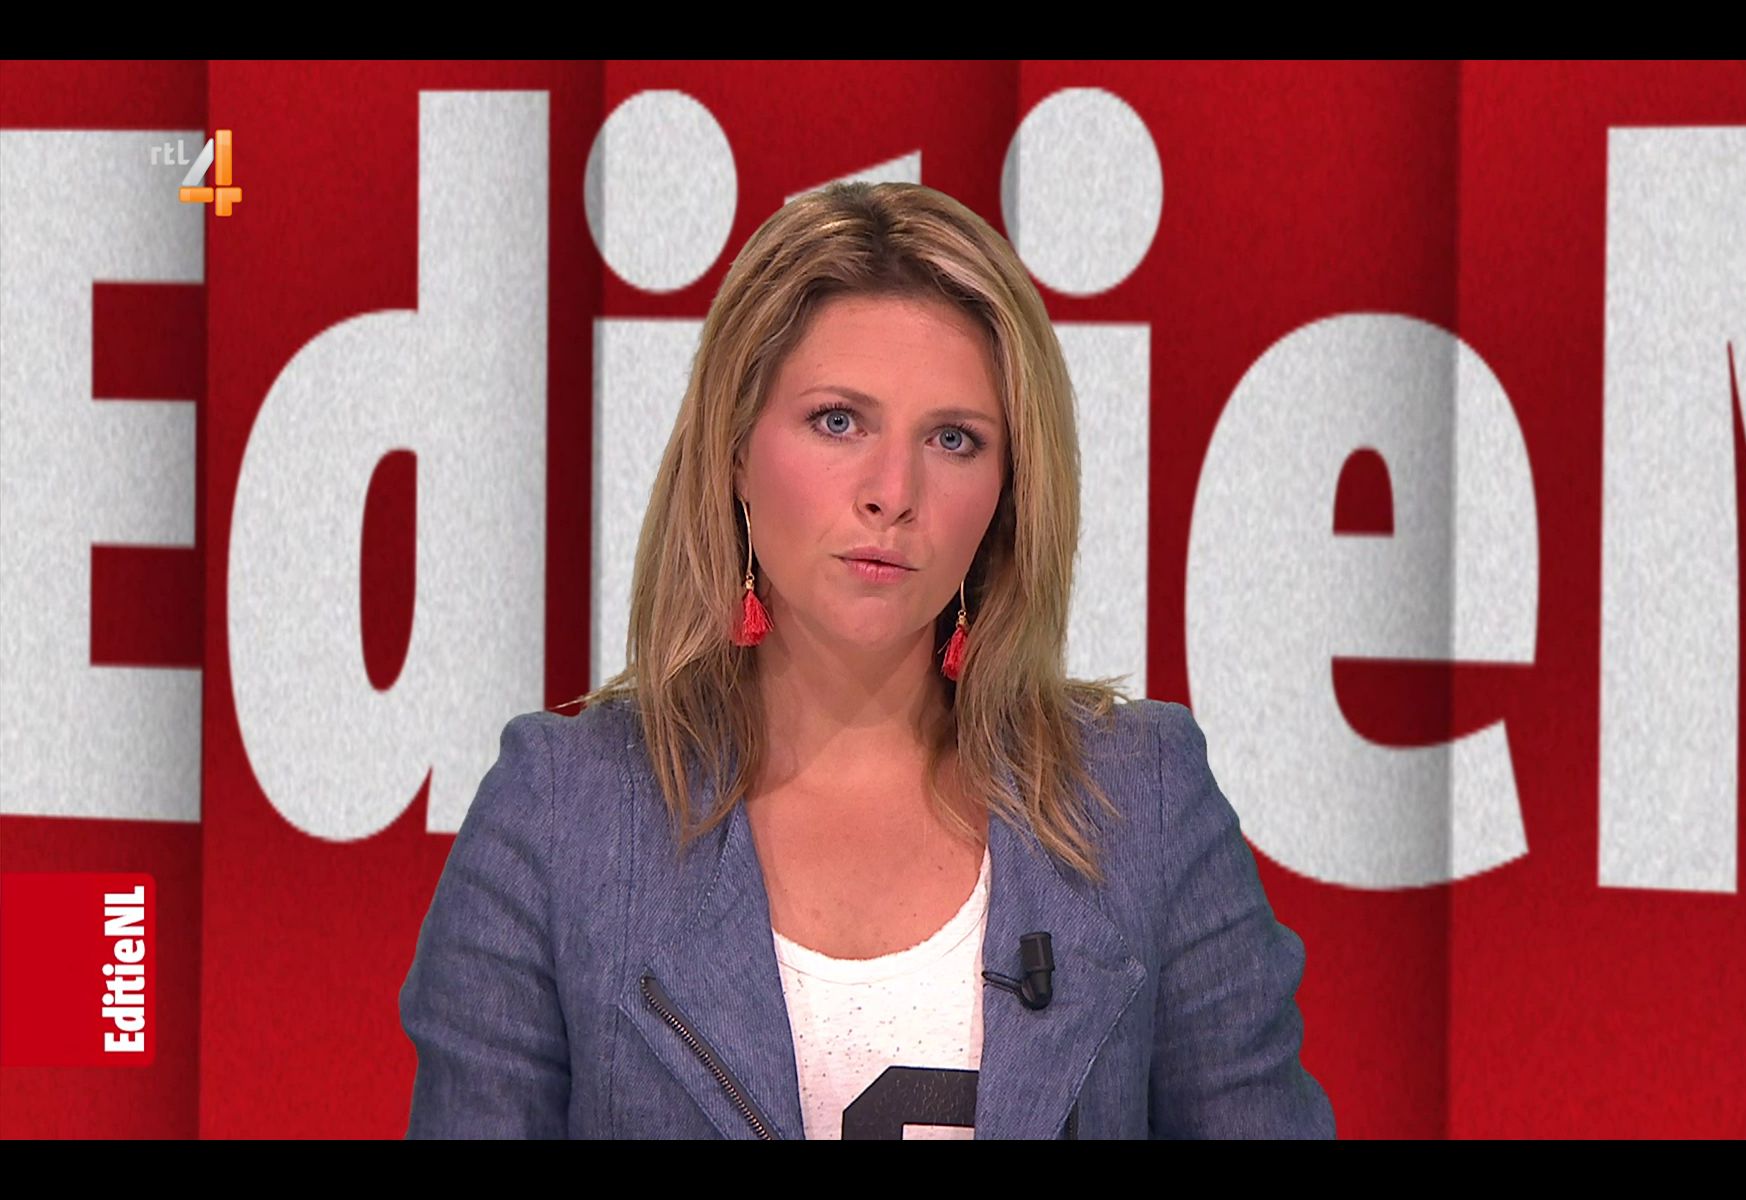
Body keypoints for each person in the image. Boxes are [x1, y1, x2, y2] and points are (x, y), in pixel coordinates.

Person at [399, 180, 1334, 1139]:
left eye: (954, 439)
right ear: (734, 450)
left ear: (1008, 494)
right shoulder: (562, 817)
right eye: (839, 421)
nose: (894, 491)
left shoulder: (1142, 803)